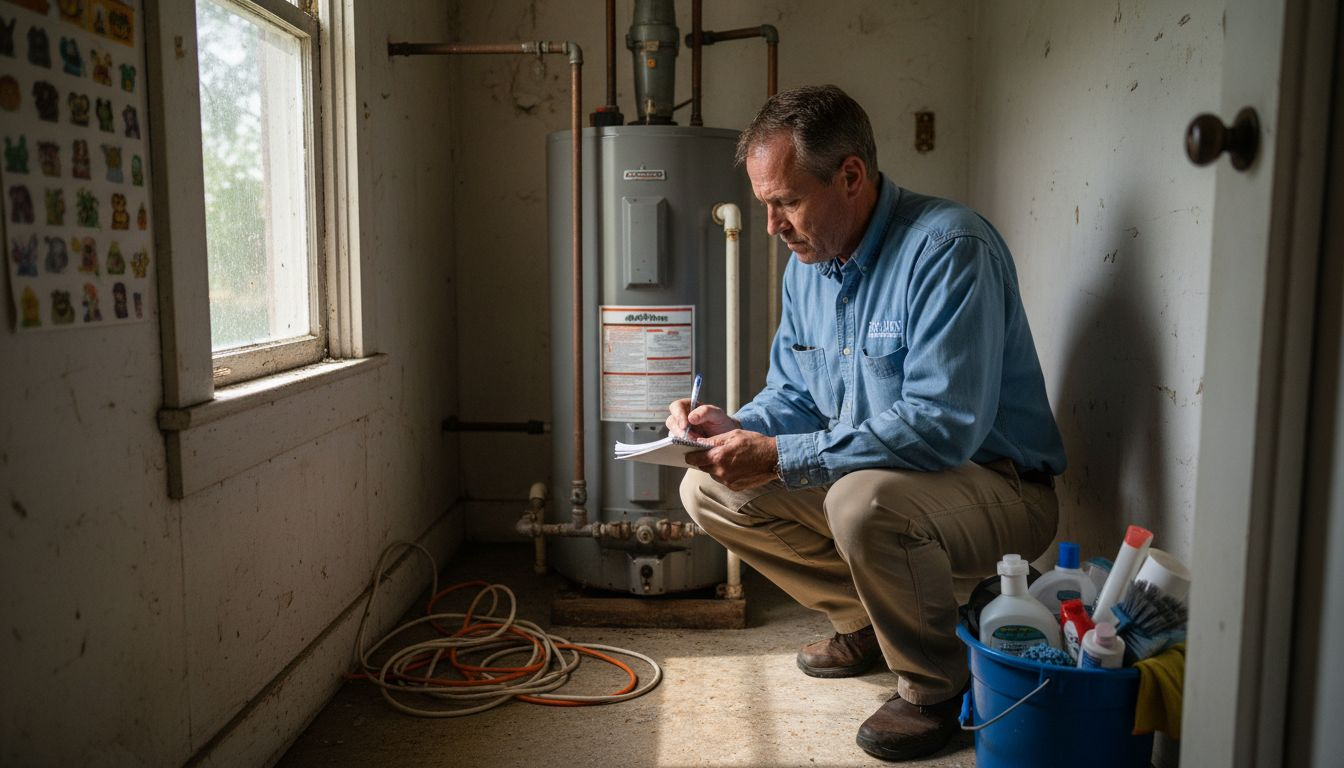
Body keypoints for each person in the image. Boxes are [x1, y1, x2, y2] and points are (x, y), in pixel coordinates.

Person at [666, 85, 1066, 762]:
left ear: (851, 176)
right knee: (707, 489)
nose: (772, 226)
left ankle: (933, 686)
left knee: (861, 501)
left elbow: (943, 427)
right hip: (883, 480)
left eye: (785, 202)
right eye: (765, 205)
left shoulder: (949, 249)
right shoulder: (808, 267)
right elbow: (795, 394)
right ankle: (866, 624)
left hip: (998, 488)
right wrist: (734, 430)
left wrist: (782, 454)